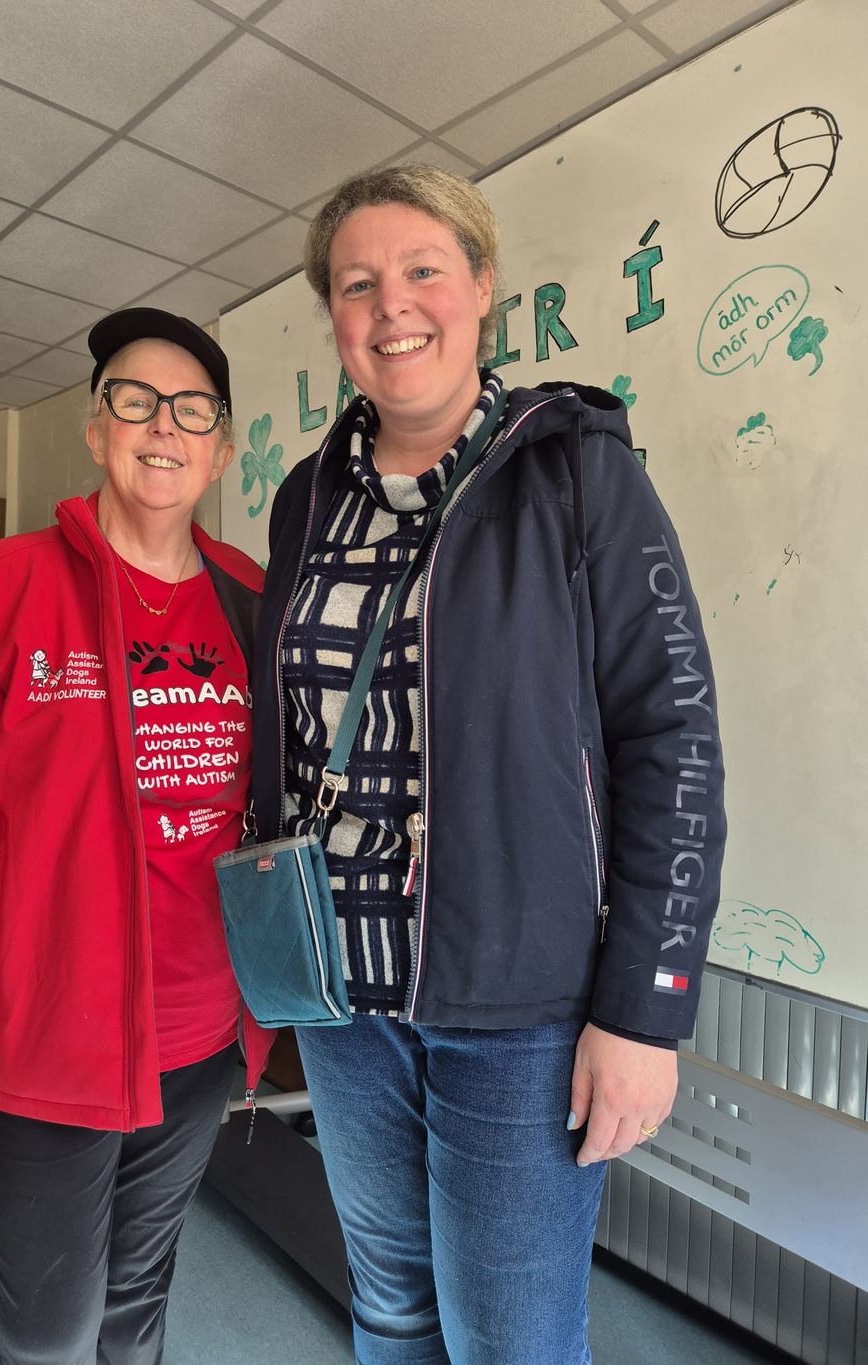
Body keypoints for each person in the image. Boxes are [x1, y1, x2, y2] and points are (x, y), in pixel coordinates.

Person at [250, 166, 726, 1364]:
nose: (391, 305)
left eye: (421, 270)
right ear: (334, 316)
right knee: (389, 1309)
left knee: (510, 1341)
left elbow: (670, 738)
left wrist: (645, 1009)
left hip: (520, 1007)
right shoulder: (306, 500)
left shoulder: (578, 470)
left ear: (480, 287)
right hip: (341, 998)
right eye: (356, 284)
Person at [0, 307, 272, 1365]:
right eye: (135, 401)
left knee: (137, 1293)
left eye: (193, 409)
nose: (164, 425)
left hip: (203, 1020)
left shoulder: (250, 598)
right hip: (53, 1016)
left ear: (220, 447)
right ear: (98, 429)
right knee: (47, 1322)